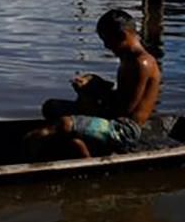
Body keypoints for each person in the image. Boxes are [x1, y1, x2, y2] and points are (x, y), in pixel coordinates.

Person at [26, 9, 161, 158]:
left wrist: (93, 92)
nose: (106, 47)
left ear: (122, 36)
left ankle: (88, 159)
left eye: (107, 41)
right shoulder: (128, 59)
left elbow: (124, 110)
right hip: (113, 116)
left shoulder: (141, 63)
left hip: (123, 130)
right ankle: (84, 144)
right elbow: (121, 96)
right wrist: (95, 84)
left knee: (63, 124)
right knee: (51, 107)